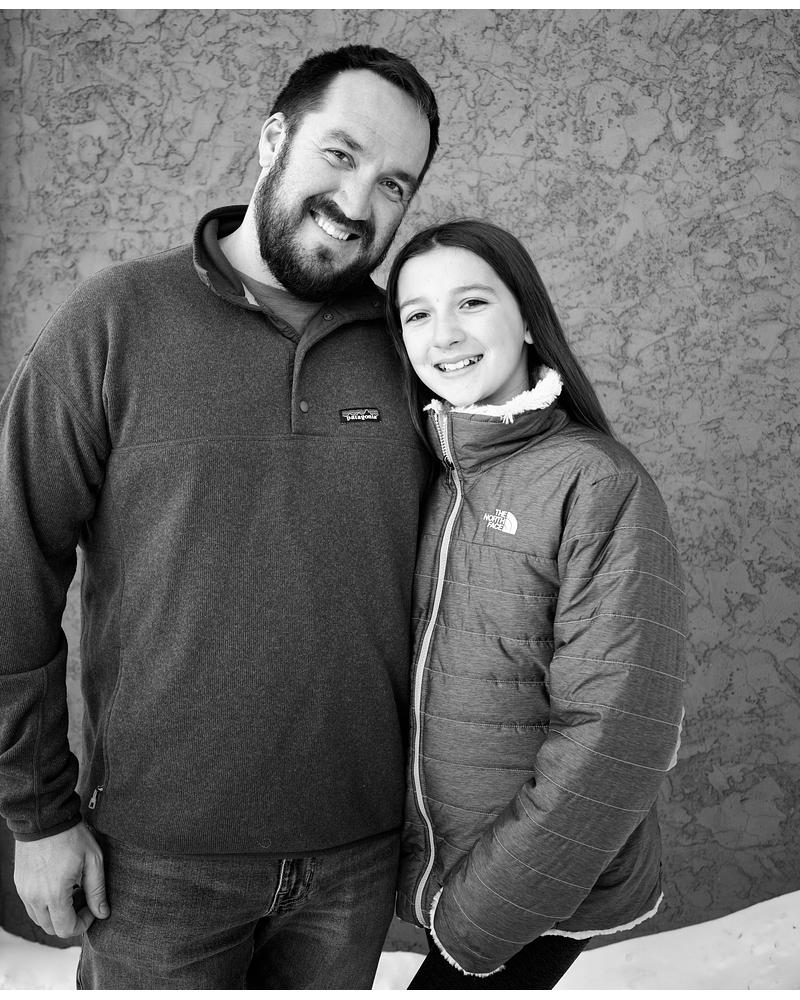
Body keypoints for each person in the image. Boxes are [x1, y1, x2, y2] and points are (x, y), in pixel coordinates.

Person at [0, 45, 439, 989]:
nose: (357, 202)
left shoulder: (417, 351)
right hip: (155, 867)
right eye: (341, 154)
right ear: (273, 138)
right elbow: (10, 571)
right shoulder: (115, 320)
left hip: (357, 862)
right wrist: (36, 814)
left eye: (394, 184)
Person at [384, 220, 687, 989]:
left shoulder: (596, 482)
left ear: (526, 318)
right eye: (417, 313)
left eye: (471, 302)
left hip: (530, 893)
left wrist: (477, 916)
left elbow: (617, 735)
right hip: (445, 879)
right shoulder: (426, 476)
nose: (444, 335)